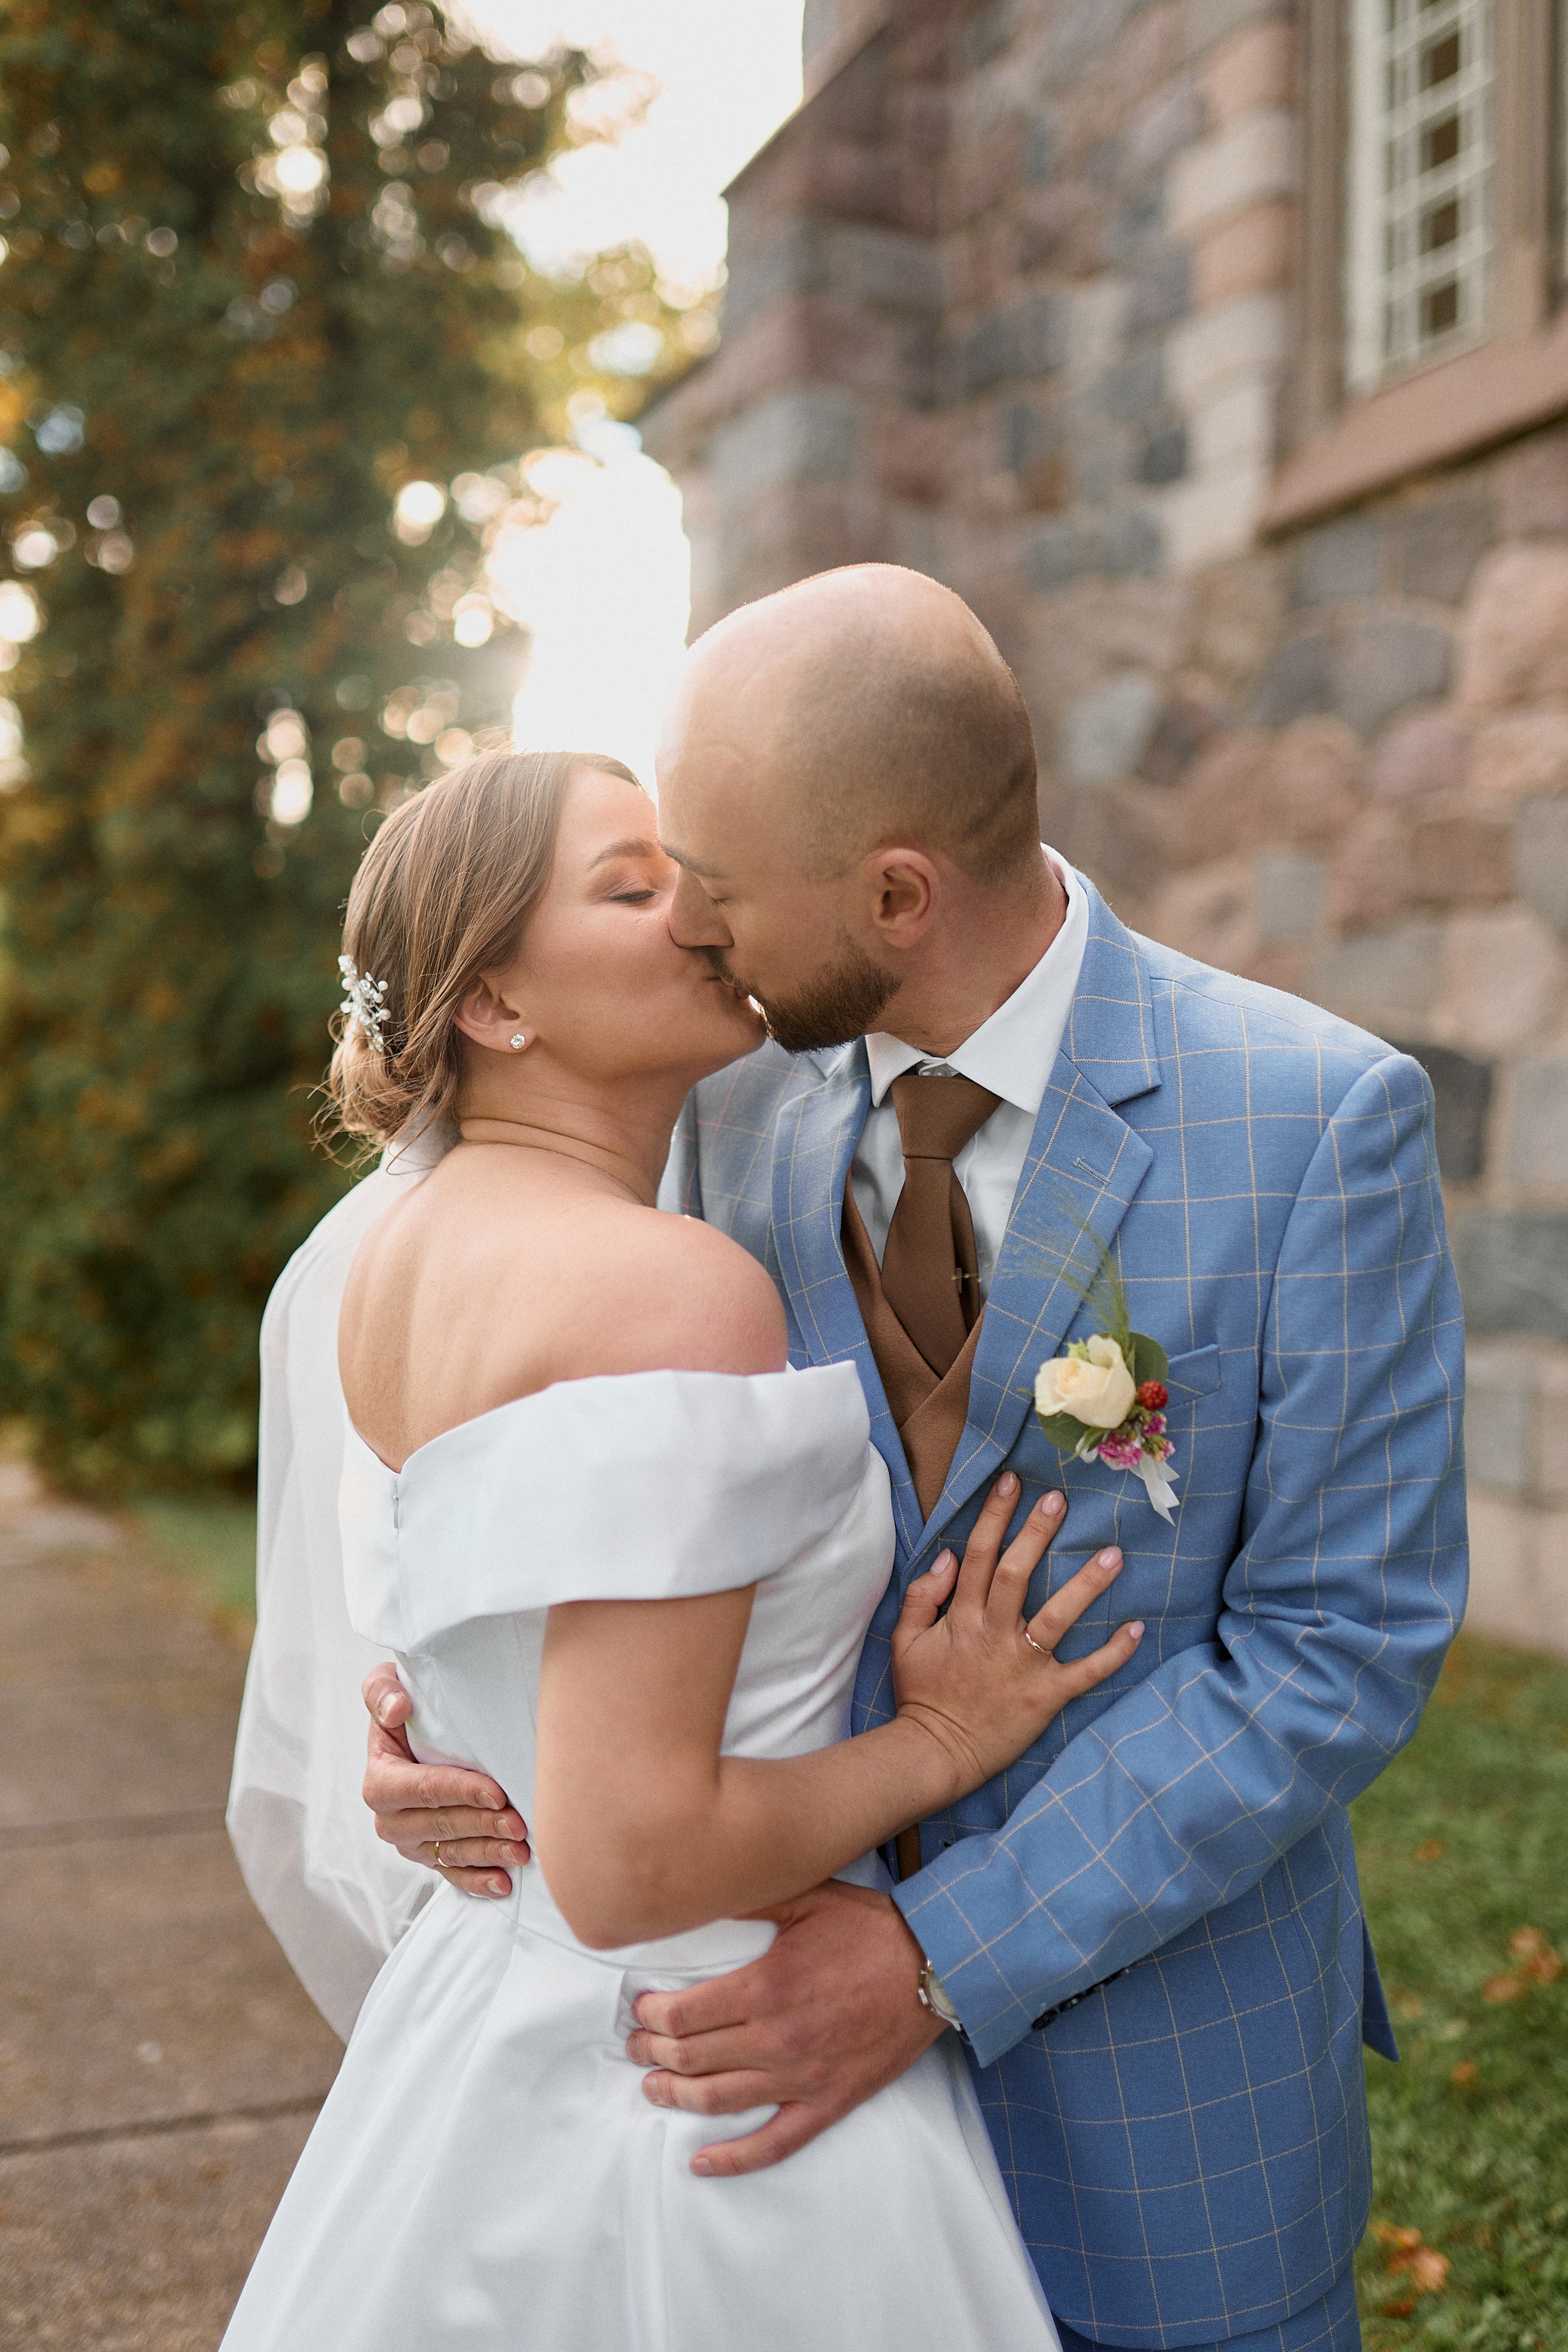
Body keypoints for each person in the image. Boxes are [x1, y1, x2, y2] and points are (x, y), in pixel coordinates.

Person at [356, 569, 1468, 2352]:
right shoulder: (717, 1102)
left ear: (894, 893)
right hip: (780, 2149)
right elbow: (584, 1464)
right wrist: (445, 1713)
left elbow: (1339, 1648)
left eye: (713, 887)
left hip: (1165, 2126)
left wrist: (937, 1951)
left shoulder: (1316, 1120)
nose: (692, 935)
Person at [220, 745, 1145, 2351]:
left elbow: (496, 1610)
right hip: (714, 2056)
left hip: (482, 2029)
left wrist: (424, 1716)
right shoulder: (667, 1286)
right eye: (632, 889)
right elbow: (634, 1859)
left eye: (694, 875)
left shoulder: (392, 1263)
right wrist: (940, 1737)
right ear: (496, 1005)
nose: (699, 918)